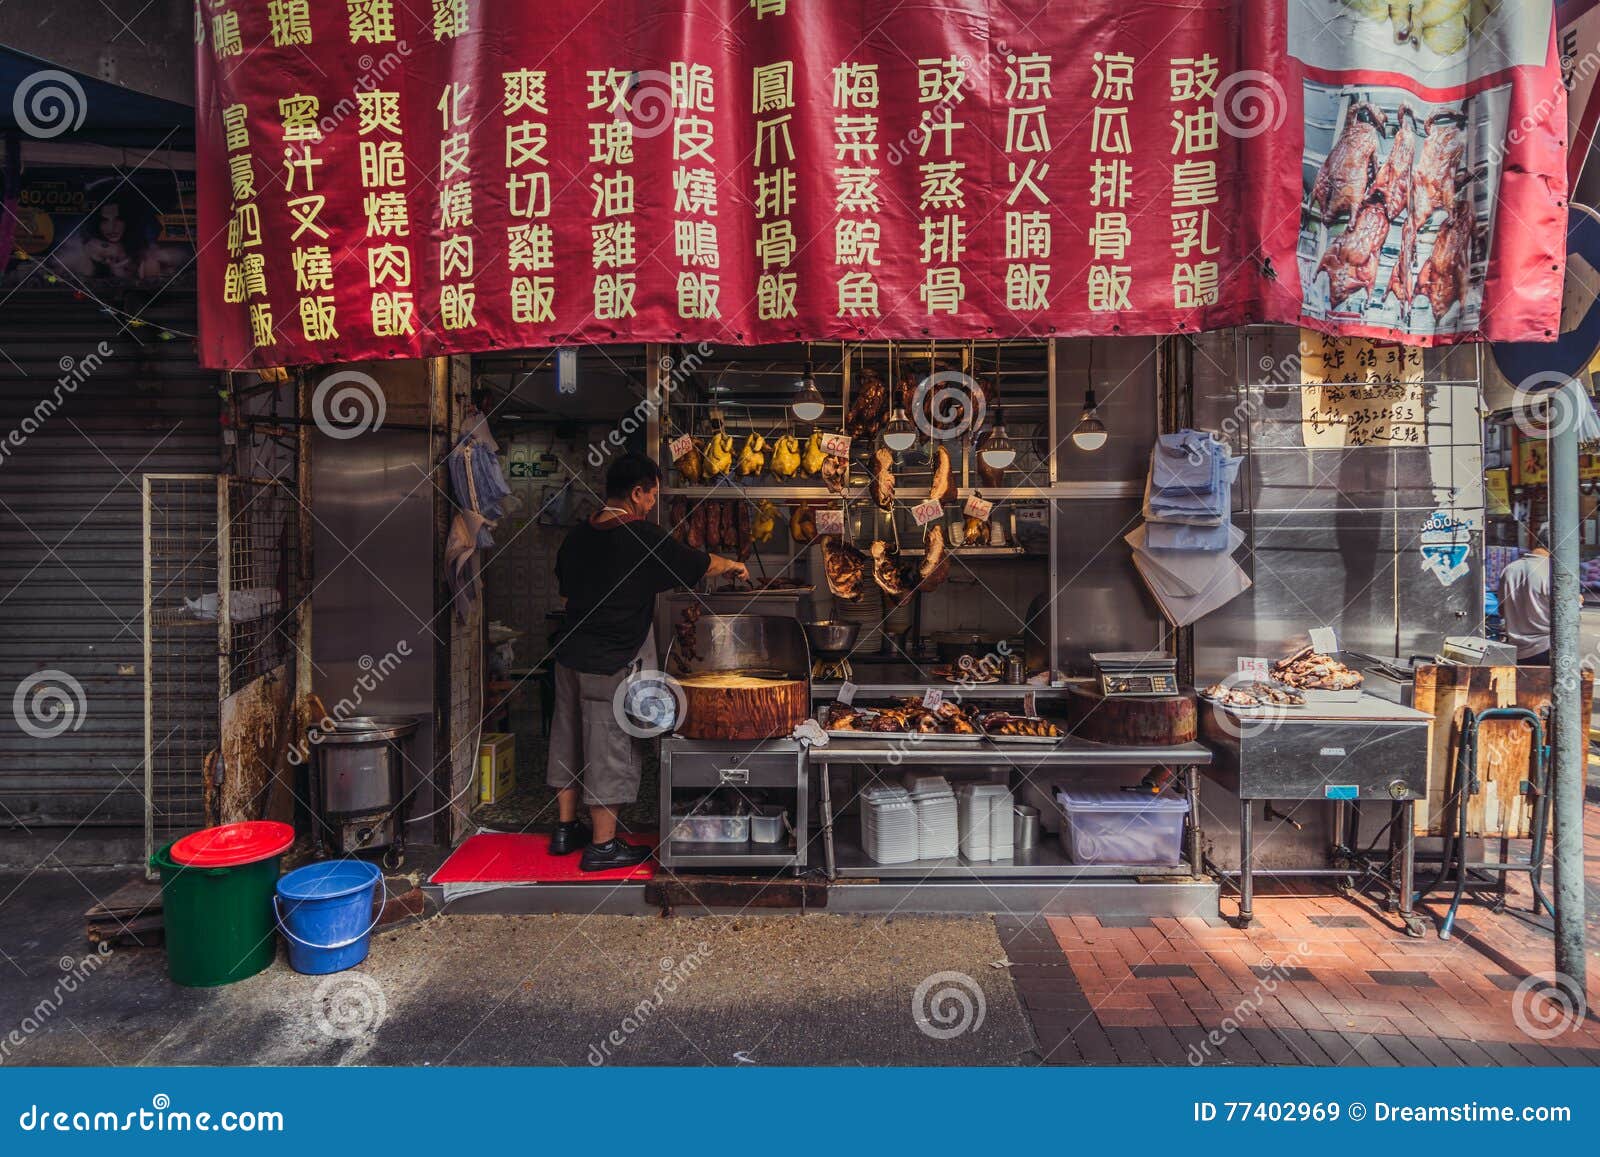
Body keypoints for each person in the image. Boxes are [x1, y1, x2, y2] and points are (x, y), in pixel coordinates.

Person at [546, 452, 747, 870]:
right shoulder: (641, 537)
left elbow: (565, 596)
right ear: (636, 493)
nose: (653, 503)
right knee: (610, 747)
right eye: (652, 494)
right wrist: (734, 565)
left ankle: (566, 829)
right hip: (612, 659)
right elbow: (698, 562)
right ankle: (602, 846)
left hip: (569, 655)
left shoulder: (577, 536)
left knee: (567, 736)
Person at [1498, 526, 1552, 666]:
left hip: (1517, 651)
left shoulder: (1510, 569)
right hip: (1546, 648)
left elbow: (1502, 611)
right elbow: (1568, 617)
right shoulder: (1555, 572)